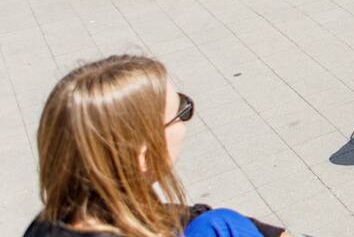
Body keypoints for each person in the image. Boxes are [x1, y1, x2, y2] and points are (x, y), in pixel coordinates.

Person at [23, 54, 289, 237]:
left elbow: (176, 216)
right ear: (142, 153)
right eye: (181, 113)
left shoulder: (53, 220)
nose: (186, 118)